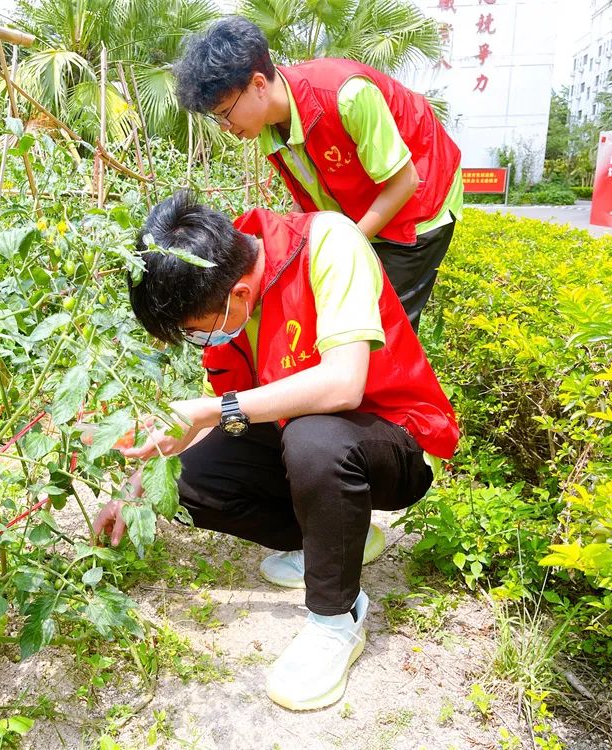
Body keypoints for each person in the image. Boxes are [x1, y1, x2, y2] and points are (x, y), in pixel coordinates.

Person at [93, 191, 459, 711]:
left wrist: (207, 409)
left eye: (199, 332)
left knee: (314, 437)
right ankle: (328, 542)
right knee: (187, 481)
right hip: (301, 432)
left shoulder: (328, 244)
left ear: (238, 295)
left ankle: (335, 620)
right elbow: (229, 413)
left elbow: (343, 385)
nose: (203, 342)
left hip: (396, 437)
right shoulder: (225, 296)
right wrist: (135, 489)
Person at [173, 16, 464, 334]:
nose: (226, 128)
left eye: (224, 114)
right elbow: (309, 200)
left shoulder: (345, 96)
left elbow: (405, 181)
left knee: (383, 327)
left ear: (258, 84)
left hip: (419, 200)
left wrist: (343, 245)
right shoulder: (270, 131)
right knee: (336, 311)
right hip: (364, 206)